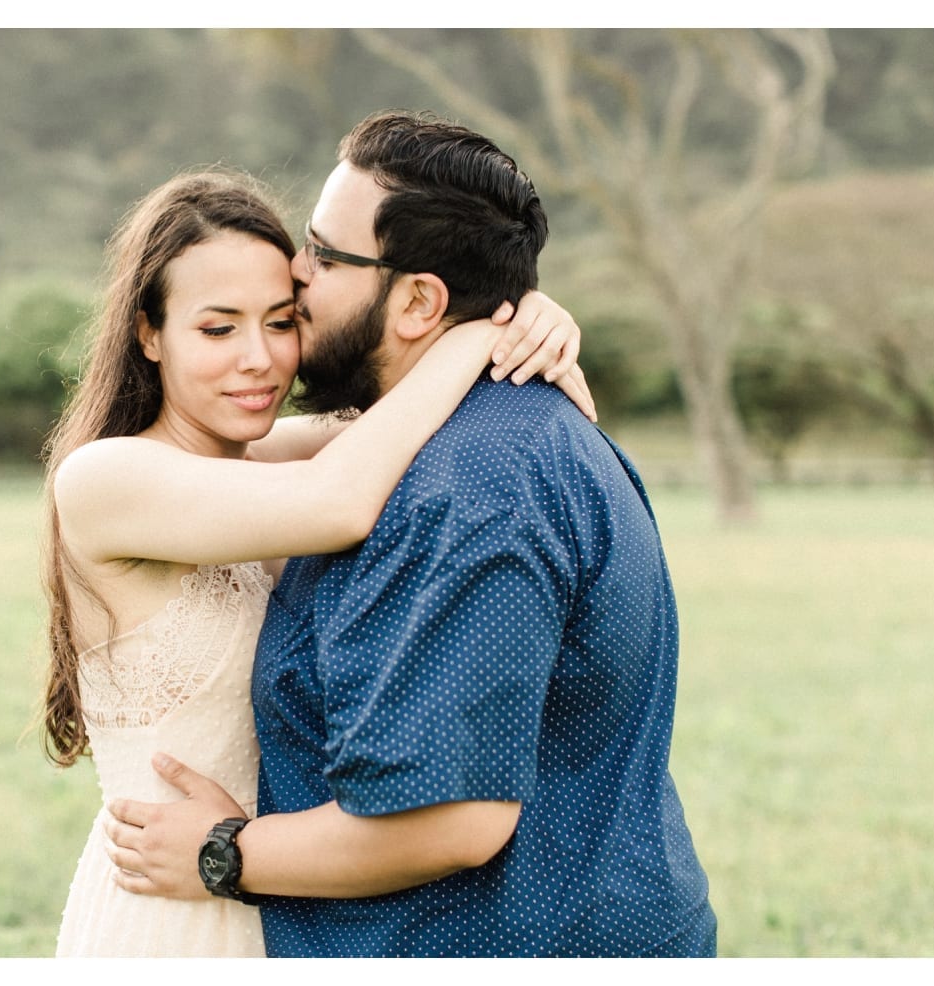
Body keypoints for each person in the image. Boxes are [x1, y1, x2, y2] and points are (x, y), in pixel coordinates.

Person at [104, 111, 717, 957]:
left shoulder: (469, 483)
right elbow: (325, 477)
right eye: (217, 326)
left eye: (323, 254)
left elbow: (451, 820)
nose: (296, 272)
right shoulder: (446, 444)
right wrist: (486, 330)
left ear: (419, 299)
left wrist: (227, 853)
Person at [42, 166, 594, 957]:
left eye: (282, 319)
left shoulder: (264, 460)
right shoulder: (104, 480)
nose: (260, 359)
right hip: (169, 910)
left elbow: (391, 427)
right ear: (148, 333)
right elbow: (338, 499)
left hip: (273, 887)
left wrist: (518, 314)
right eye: (218, 328)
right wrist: (479, 332)